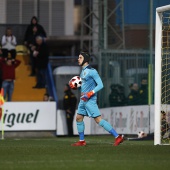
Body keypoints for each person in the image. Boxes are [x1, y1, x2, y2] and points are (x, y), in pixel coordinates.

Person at [69, 51, 124, 146]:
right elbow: (87, 85)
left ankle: (117, 137)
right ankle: (82, 141)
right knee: (78, 118)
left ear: (85, 59)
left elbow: (101, 85)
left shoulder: (92, 71)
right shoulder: (83, 71)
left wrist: (89, 93)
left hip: (90, 100)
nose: (78, 59)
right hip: (83, 99)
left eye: (80, 57)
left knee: (98, 120)